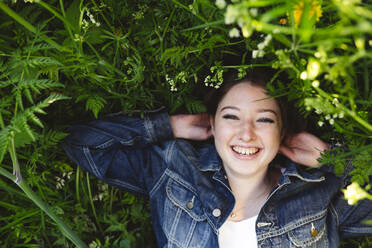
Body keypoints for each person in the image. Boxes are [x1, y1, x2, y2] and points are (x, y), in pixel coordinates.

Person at [63, 69, 372, 248]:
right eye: (231, 117)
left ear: (283, 131)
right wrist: (171, 125)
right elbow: (84, 144)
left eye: (264, 120)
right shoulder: (174, 170)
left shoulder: (319, 191)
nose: (246, 133)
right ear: (212, 123)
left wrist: (335, 159)